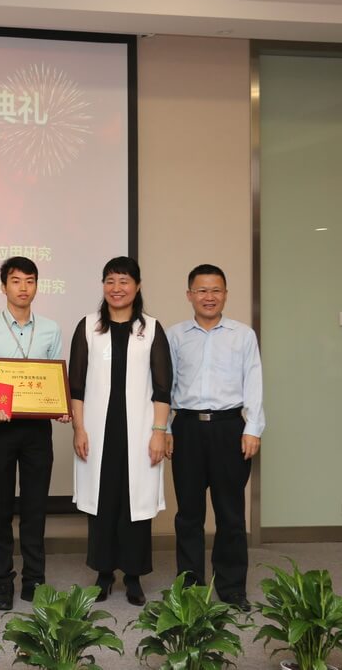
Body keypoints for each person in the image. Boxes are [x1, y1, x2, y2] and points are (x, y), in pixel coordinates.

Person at [69, 256, 171, 606]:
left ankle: (133, 576)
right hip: (98, 431)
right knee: (102, 501)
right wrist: (79, 428)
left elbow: (163, 387)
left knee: (134, 504)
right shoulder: (88, 326)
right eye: (110, 281)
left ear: (137, 286)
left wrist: (159, 431)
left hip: (139, 431)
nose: (117, 288)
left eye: (124, 281)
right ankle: (103, 573)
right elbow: (76, 386)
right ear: (103, 286)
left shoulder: (152, 329)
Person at [0, 256, 69, 610]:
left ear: (37, 286)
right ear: (3, 287)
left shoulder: (51, 329)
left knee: (35, 507)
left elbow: (56, 376)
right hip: (1, 428)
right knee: (0, 508)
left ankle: (34, 579)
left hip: (38, 430)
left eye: (30, 281)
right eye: (16, 281)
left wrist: (60, 405)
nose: (23, 288)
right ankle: (3, 580)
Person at [167, 264, 264, 611]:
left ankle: (232, 587)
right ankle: (190, 587)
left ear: (225, 294)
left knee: (231, 514)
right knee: (188, 514)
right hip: (187, 428)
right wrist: (164, 429)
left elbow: (254, 382)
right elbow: (165, 386)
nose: (209, 297)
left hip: (229, 429)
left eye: (216, 290)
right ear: (189, 294)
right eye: (202, 290)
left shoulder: (243, 335)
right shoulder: (175, 336)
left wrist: (253, 428)